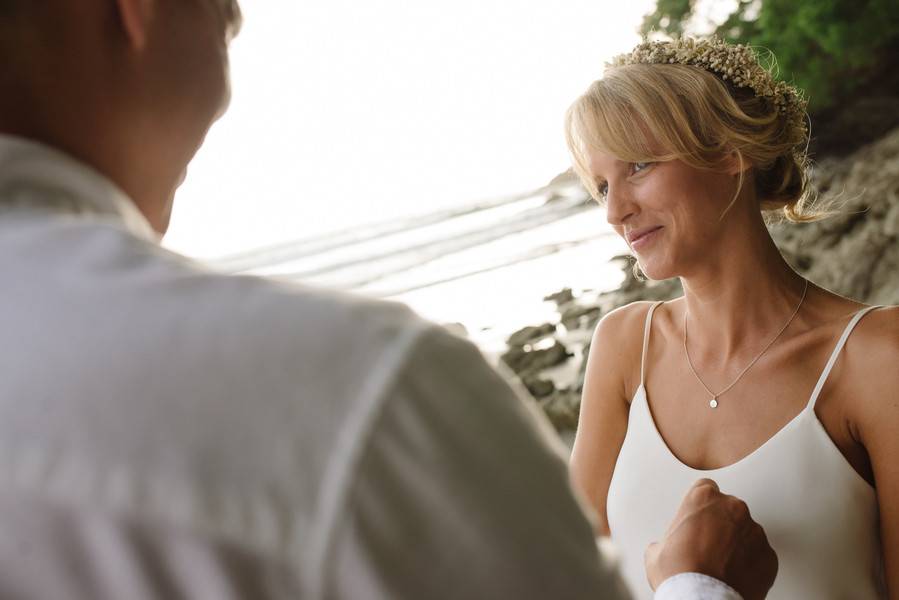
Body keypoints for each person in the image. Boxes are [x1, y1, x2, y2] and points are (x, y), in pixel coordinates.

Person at [0, 3, 776, 598]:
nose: (612, 209)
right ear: (136, 11)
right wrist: (698, 585)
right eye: (224, 14)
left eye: (634, 168)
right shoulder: (357, 392)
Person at [566, 36, 899, 599]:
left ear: (729, 152)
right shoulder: (624, 347)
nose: (613, 211)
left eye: (639, 166)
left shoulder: (875, 358)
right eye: (601, 186)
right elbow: (569, 577)